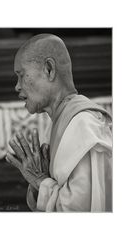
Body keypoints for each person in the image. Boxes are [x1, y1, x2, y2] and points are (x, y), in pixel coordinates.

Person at [6, 34, 112, 212]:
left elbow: (82, 211)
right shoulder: (59, 122)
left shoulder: (84, 126)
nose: (17, 86)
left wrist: (40, 181)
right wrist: (40, 182)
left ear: (49, 69)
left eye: (22, 75)